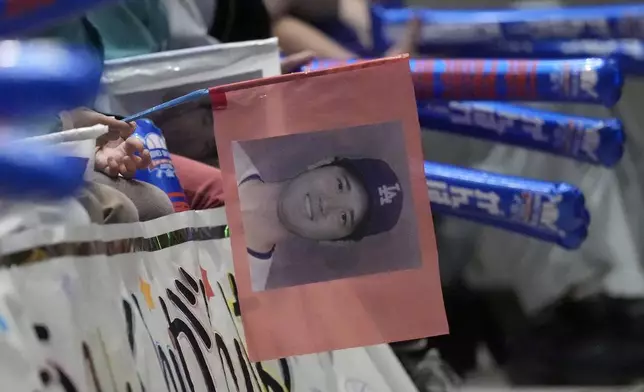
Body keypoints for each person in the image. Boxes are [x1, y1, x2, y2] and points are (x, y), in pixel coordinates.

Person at [233, 142, 404, 291]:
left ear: (336, 240)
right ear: (324, 163)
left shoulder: (244, 290)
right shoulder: (227, 153)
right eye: (339, 185)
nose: (328, 204)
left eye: (344, 217)